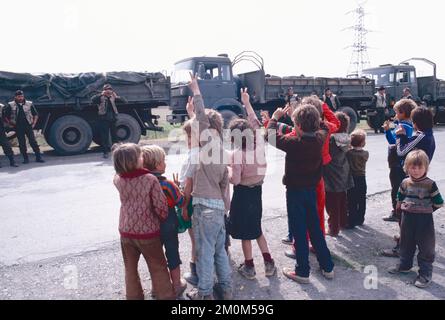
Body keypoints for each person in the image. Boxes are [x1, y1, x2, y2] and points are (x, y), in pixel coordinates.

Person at [266, 104, 335, 284]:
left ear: (297, 125)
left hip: (295, 193)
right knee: (315, 230)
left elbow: (270, 136)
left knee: (299, 230)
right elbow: (325, 126)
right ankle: (327, 267)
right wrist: (310, 116)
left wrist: (274, 117)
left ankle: (302, 271)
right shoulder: (320, 138)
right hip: (311, 191)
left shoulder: (294, 143)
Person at [185, 74, 232, 300]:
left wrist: (196, 90)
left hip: (204, 207)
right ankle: (226, 288)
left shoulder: (207, 145)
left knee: (204, 254)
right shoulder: (222, 150)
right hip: (219, 208)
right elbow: (225, 183)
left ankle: (204, 293)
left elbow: (201, 120)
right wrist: (192, 114)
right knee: (219, 251)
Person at [112, 143, 175, 300]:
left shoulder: (117, 179)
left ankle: (134, 296)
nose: (143, 158)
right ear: (134, 160)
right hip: (148, 233)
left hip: (126, 231)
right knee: (158, 267)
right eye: (140, 156)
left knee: (130, 268)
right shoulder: (150, 179)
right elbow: (161, 207)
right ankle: (165, 295)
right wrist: (162, 218)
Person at [227, 88, 277, 280]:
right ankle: (269, 261)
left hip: (242, 195)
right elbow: (255, 122)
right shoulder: (259, 145)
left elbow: (236, 180)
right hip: (257, 193)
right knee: (256, 228)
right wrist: (246, 102)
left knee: (245, 233)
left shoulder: (237, 155)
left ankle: (249, 266)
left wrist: (228, 170)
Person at [381, 106, 436, 258]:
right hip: (420, 177)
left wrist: (400, 136)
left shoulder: (421, 136)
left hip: (412, 179)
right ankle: (407, 240)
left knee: (404, 212)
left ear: (417, 122)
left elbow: (401, 151)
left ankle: (403, 247)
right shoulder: (429, 134)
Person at [388, 150, 443, 288]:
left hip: (424, 220)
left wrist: (427, 209)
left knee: (426, 248)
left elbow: (439, 202)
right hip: (407, 218)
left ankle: (425, 274)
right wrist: (399, 209)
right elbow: (399, 197)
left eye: (420, 167)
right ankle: (404, 265)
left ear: (426, 167)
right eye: (413, 167)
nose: (416, 170)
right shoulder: (405, 182)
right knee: (406, 243)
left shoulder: (430, 184)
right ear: (407, 167)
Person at [141, 145, 187, 298]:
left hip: (150, 226)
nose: (165, 163)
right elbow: (180, 202)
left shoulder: (142, 183)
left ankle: (156, 288)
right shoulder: (167, 184)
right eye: (163, 160)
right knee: (172, 253)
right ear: (157, 164)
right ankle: (177, 285)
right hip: (168, 224)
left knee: (155, 257)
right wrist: (180, 189)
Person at [382, 99, 415, 222]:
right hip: (402, 163)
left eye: (396, 112)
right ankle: (403, 210)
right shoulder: (409, 126)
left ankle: (396, 213)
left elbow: (393, 142)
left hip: (396, 163)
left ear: (403, 113)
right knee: (403, 187)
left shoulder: (401, 126)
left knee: (396, 189)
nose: (395, 115)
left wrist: (387, 131)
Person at [323, 112, 354, 237]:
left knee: (332, 203)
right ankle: (343, 222)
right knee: (342, 199)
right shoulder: (345, 137)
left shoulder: (331, 139)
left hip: (331, 172)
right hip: (343, 170)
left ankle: (333, 228)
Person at [3, 90, 44, 164]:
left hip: (28, 125)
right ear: (15, 97)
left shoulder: (29, 104)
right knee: (22, 143)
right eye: (19, 96)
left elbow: (35, 114)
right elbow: (6, 116)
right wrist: (10, 123)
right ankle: (25, 159)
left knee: (33, 142)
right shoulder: (11, 105)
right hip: (18, 127)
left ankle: (38, 157)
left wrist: (34, 123)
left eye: (21, 96)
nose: (20, 98)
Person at [91, 84, 127, 159]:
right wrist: (101, 94)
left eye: (110, 89)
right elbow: (92, 100)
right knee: (104, 137)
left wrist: (117, 97)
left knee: (115, 137)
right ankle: (105, 152)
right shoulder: (100, 97)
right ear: (104, 90)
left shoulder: (113, 97)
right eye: (107, 89)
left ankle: (117, 152)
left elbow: (124, 101)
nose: (108, 91)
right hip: (103, 119)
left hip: (112, 119)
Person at [346, 129, 369, 228]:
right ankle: (360, 219)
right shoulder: (365, 153)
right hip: (362, 178)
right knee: (362, 199)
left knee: (352, 200)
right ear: (363, 143)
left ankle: (352, 220)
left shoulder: (349, 153)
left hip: (352, 178)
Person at [0, 103, 18, 168]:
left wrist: (10, 125)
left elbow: (5, 118)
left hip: (1, 131)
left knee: (7, 146)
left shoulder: (1, 107)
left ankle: (12, 162)